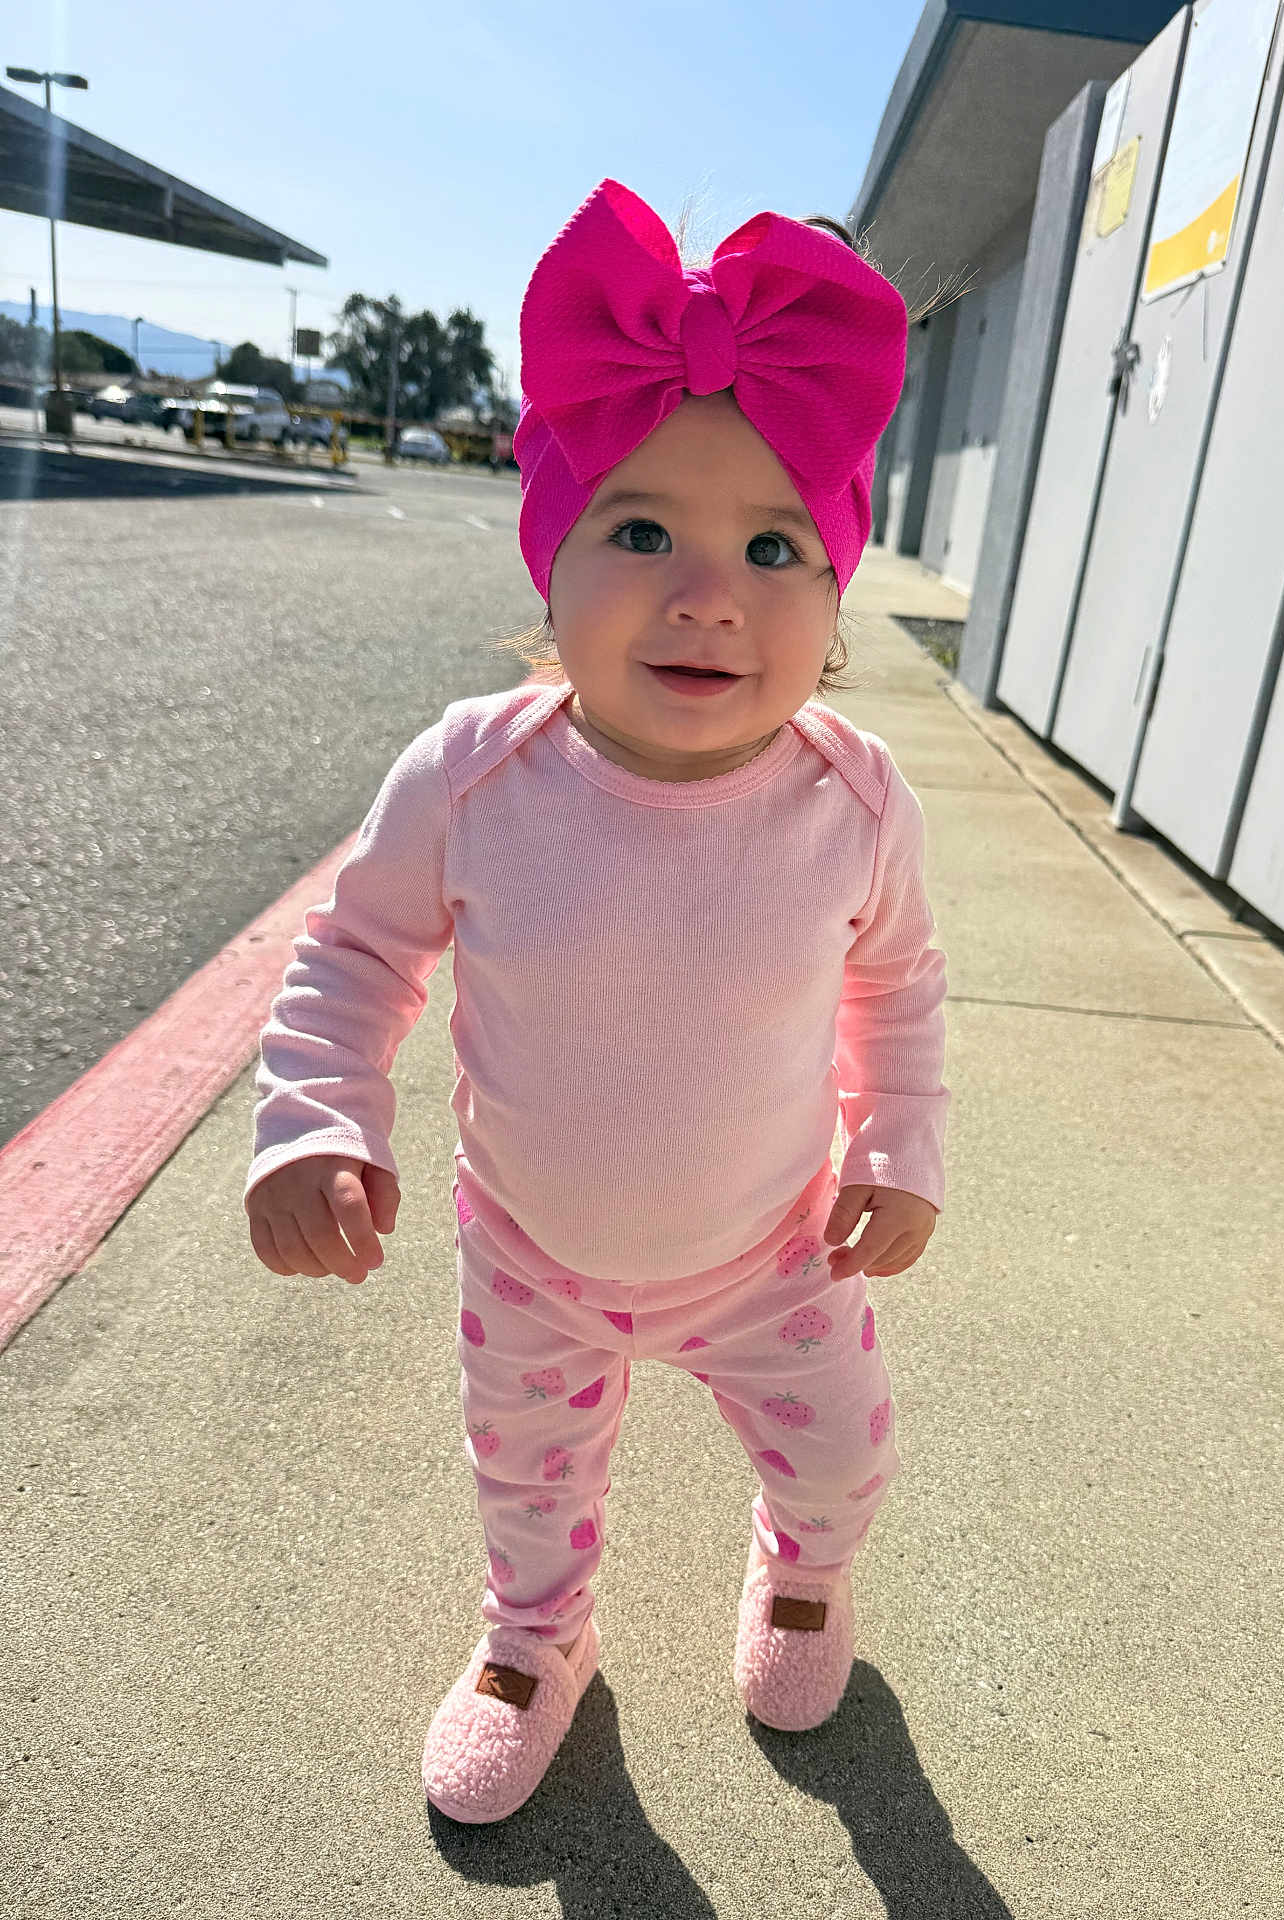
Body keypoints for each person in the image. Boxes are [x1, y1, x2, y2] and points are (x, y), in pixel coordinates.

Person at [242, 177, 952, 1825]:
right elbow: (355, 954)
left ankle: (802, 1574)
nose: (710, 590)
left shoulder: (852, 802)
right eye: (642, 530)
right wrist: (313, 1122)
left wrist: (898, 1147)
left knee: (841, 1450)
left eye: (775, 546)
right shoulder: (476, 775)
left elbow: (899, 984)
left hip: (771, 1252)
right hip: (535, 1259)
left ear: (836, 595)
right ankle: (533, 1638)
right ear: (550, 564)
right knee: (527, 1478)